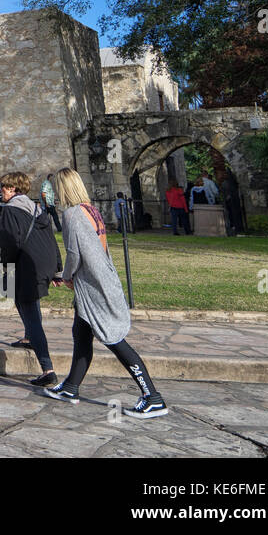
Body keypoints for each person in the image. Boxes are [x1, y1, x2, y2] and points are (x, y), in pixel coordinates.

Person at [44, 168, 169, 418]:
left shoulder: (71, 214)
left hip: (94, 288)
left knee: (113, 339)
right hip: (99, 282)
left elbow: (75, 254)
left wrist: (66, 276)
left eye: (55, 188)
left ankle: (153, 397)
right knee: (81, 334)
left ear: (63, 188)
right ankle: (70, 387)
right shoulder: (91, 210)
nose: (53, 193)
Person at [0, 170, 63, 387]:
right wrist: (57, 269)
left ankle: (47, 369)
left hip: (27, 264)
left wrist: (5, 265)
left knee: (31, 310)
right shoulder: (36, 208)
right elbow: (51, 238)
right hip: (45, 261)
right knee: (20, 298)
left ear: (13, 189)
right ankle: (28, 337)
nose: (1, 191)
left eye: (4, 188)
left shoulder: (10, 210)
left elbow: (9, 242)